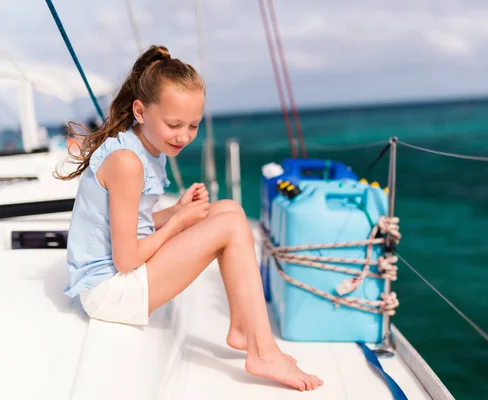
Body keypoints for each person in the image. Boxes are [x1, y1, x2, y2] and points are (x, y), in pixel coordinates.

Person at [55, 45, 323, 392]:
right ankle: (264, 352)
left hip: (120, 274)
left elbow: (130, 223)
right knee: (227, 225)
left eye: (193, 125)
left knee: (230, 210)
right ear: (140, 110)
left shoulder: (146, 147)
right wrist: (179, 223)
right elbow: (126, 259)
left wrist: (177, 211)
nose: (183, 136)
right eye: (174, 124)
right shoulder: (127, 162)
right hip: (109, 291)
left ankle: (242, 328)